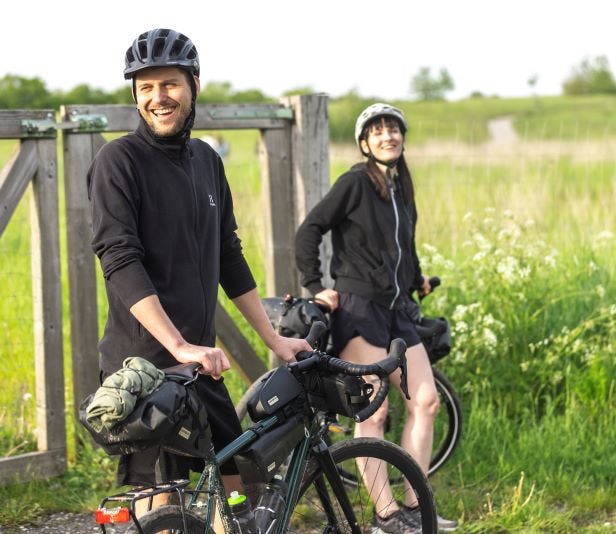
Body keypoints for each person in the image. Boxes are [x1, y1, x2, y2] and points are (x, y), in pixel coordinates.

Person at [88, 28, 309, 513]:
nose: (157, 98)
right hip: (144, 367)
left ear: (194, 85)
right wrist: (179, 346)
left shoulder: (207, 161)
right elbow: (119, 259)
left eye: (168, 84)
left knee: (240, 485)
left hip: (198, 365)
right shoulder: (118, 161)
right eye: (145, 88)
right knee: (161, 501)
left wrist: (274, 340)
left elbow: (228, 254)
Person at [295, 103, 458, 532]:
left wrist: (416, 275)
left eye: (394, 129)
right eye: (378, 130)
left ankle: (415, 507)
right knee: (374, 413)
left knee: (425, 401)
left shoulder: (401, 187)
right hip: (359, 307)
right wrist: (315, 286)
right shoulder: (355, 182)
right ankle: (385, 515)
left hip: (398, 308)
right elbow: (310, 229)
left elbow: (406, 242)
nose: (388, 136)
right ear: (365, 143)